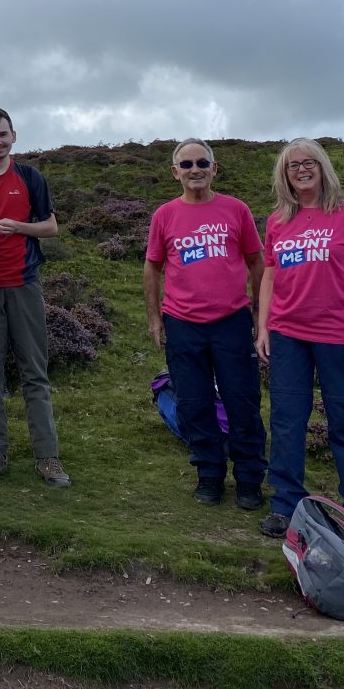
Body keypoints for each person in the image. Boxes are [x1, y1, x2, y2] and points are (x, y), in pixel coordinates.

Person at [255, 138, 344, 540]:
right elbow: (270, 277)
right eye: (293, 166)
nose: (302, 169)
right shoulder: (277, 220)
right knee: (287, 420)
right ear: (285, 176)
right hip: (288, 334)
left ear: (323, 168)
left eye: (309, 162)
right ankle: (285, 506)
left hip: (339, 335)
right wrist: (263, 327)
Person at [143, 139, 267, 509]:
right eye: (186, 164)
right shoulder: (164, 215)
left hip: (232, 322)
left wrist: (259, 313)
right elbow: (152, 267)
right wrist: (155, 318)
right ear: (174, 172)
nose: (194, 170)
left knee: (242, 402)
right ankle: (209, 476)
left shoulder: (236, 209)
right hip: (183, 325)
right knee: (194, 403)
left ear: (214, 168)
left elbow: (257, 262)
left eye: (201, 163)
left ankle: (248, 480)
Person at [0, 106, 71, 488]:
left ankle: (48, 458)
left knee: (34, 373)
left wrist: (19, 228)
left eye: (2, 134)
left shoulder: (30, 177)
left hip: (24, 283)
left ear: (13, 136)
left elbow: (51, 227)